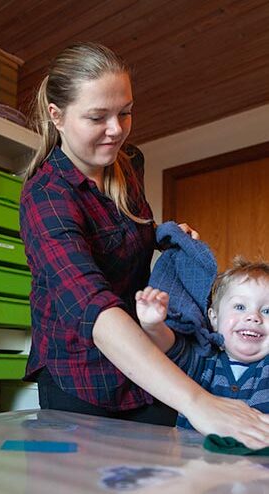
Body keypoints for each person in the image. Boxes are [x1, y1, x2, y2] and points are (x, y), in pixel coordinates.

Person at [19, 41, 269, 448]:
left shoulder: (126, 163)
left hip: (144, 359)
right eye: (98, 117)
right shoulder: (45, 197)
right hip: (80, 372)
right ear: (56, 116)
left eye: (126, 112)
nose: (116, 129)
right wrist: (198, 401)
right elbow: (93, 310)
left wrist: (163, 235)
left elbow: (125, 232)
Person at [136, 258, 269, 429]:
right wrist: (153, 325)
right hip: (193, 454)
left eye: (267, 311)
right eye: (240, 307)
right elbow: (171, 349)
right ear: (214, 318)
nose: (254, 317)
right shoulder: (202, 359)